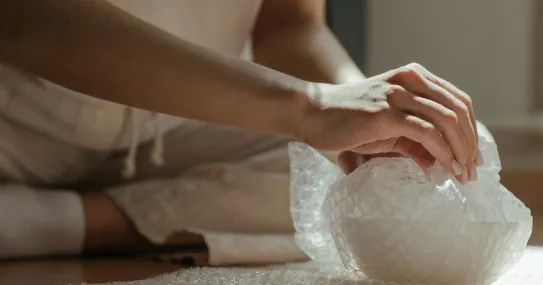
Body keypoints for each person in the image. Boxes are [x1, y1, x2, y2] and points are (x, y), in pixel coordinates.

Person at [0, 0, 481, 264]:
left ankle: (56, 221)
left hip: (167, 128)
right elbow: (24, 21)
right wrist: (310, 107)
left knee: (439, 145)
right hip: (14, 126)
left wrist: (359, 106)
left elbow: (288, 28)